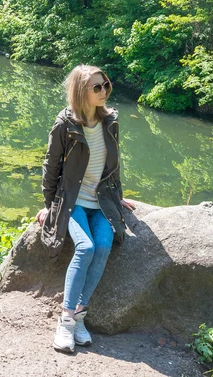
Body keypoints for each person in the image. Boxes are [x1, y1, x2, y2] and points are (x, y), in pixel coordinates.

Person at [36, 64, 136, 354]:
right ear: (82, 92)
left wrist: (118, 195)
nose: (103, 91)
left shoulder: (111, 121)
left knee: (104, 246)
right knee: (86, 247)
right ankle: (66, 321)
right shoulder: (64, 124)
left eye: (106, 85)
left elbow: (114, 163)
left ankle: (80, 314)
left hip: (102, 202)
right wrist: (49, 207)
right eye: (97, 87)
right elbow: (50, 167)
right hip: (73, 203)